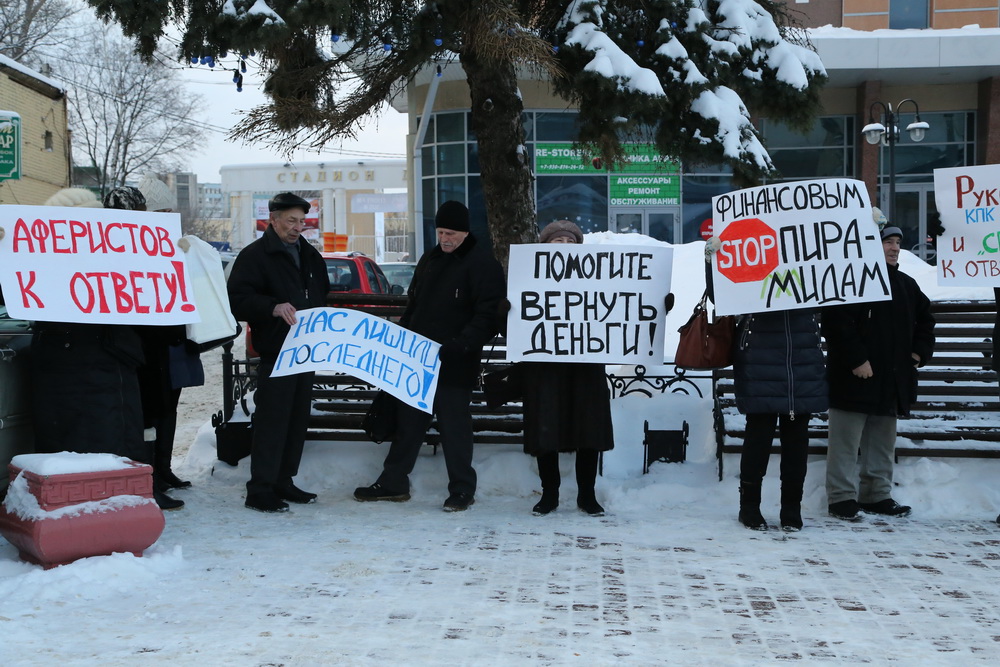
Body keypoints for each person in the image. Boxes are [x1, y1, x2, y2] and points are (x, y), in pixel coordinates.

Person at [30, 187, 180, 510]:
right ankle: (88, 516)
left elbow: (159, 308)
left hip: (106, 367)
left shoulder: (121, 256)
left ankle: (121, 510)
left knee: (114, 446)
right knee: (73, 451)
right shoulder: (37, 261)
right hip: (78, 369)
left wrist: (172, 259)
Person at [354, 201, 505, 511]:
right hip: (417, 359)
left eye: (450, 233)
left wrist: (461, 344)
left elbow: (488, 315)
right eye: (440, 232)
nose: (444, 239)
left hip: (456, 361)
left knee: (454, 427)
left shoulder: (481, 263)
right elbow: (415, 305)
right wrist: (401, 338)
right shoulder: (431, 258)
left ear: (464, 232)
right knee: (408, 423)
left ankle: (462, 489)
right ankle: (394, 482)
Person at [823, 224, 935, 521]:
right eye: (887, 242)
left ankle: (876, 495)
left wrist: (918, 354)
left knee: (882, 444)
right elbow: (836, 324)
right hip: (853, 378)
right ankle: (841, 498)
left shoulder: (906, 285)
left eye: (897, 242)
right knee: (845, 443)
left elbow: (926, 321)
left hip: (892, 379)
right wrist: (856, 360)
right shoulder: (850, 279)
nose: (894, 248)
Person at [227, 192, 330, 513]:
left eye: (302, 221)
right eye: (291, 221)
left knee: (297, 419)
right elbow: (237, 299)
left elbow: (322, 293)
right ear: (272, 220)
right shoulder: (255, 256)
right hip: (277, 351)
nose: (298, 227)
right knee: (272, 420)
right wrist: (272, 307)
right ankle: (260, 488)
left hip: (306, 350)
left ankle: (284, 480)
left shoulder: (310, 254)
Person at [517, 220, 615, 516]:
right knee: (546, 430)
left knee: (590, 429)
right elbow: (516, 322)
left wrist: (656, 304)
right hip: (545, 367)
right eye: (557, 242)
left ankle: (587, 494)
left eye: (570, 242)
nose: (564, 248)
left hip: (586, 367)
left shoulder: (597, 279)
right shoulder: (529, 279)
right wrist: (506, 312)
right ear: (544, 247)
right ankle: (550, 494)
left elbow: (621, 308)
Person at [731, 307, 827, 531]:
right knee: (758, 438)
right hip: (760, 361)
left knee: (796, 442)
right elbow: (723, 292)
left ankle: (791, 508)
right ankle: (749, 506)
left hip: (800, 362)